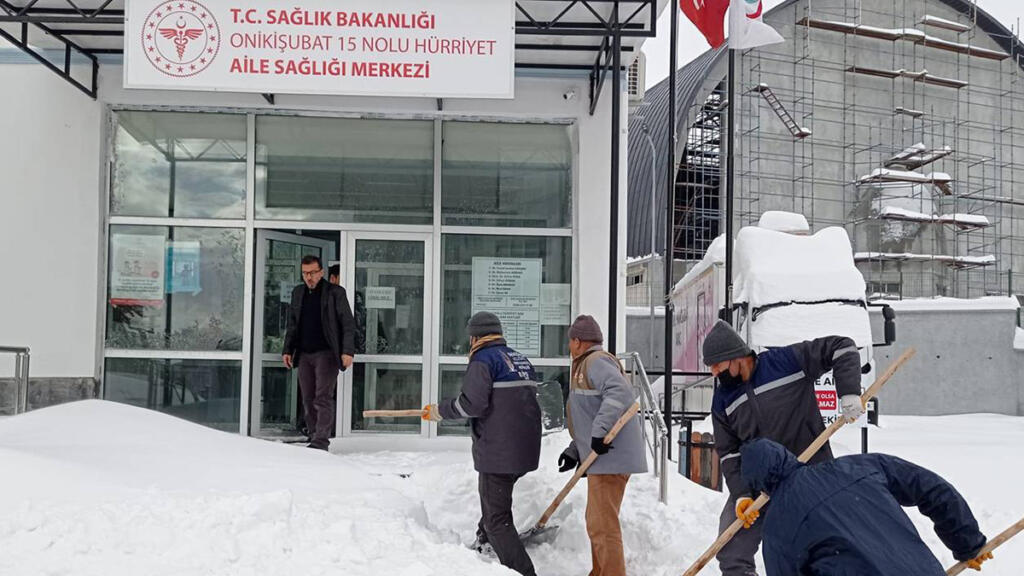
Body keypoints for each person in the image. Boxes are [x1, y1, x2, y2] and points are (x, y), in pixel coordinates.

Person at [703, 320, 864, 576]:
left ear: (735, 358)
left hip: (810, 472)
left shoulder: (786, 362)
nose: (713, 373)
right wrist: (742, 494)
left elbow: (841, 347)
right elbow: (729, 452)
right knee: (732, 548)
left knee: (824, 545)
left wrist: (849, 391)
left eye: (716, 365)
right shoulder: (723, 399)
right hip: (759, 482)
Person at [739, 438, 991, 575]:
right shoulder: (858, 467)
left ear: (761, 487)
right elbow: (931, 488)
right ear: (787, 455)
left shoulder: (777, 531)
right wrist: (967, 542)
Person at [423, 312, 541, 576]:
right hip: (525, 448)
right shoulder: (520, 359)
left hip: (499, 451)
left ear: (475, 336)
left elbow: (472, 404)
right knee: (494, 501)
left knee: (497, 519)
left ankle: (523, 572)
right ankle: (483, 542)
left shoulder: (483, 359)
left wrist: (440, 411)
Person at [557, 315, 646, 576]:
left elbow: (619, 393)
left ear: (577, 341)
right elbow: (589, 413)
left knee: (603, 526)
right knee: (597, 523)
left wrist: (599, 433)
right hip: (601, 457)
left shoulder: (596, 362)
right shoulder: (586, 365)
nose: (569, 347)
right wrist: (576, 450)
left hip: (609, 458)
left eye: (570, 341)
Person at [282, 255, 355, 451]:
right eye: (305, 273)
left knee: (322, 397)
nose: (309, 277)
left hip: (327, 353)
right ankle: (314, 435)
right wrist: (287, 349)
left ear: (321, 272)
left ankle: (321, 441)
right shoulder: (298, 293)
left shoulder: (335, 293)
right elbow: (292, 324)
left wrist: (348, 351)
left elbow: (348, 323)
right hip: (304, 353)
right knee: (307, 397)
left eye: (313, 272)